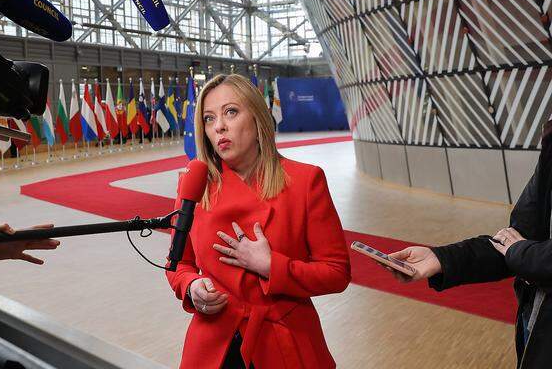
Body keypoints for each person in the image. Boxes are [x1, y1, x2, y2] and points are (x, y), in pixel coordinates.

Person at [166, 74, 351, 369]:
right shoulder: (194, 185)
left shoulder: (305, 181)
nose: (219, 127)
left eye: (231, 112)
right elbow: (178, 265)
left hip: (285, 343)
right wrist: (192, 287)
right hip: (213, 345)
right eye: (208, 118)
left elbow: (336, 272)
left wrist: (272, 266)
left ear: (257, 117)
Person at [384, 120, 552, 368]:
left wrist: (521, 252)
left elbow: (520, 250)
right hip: (537, 326)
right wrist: (441, 258)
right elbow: (512, 240)